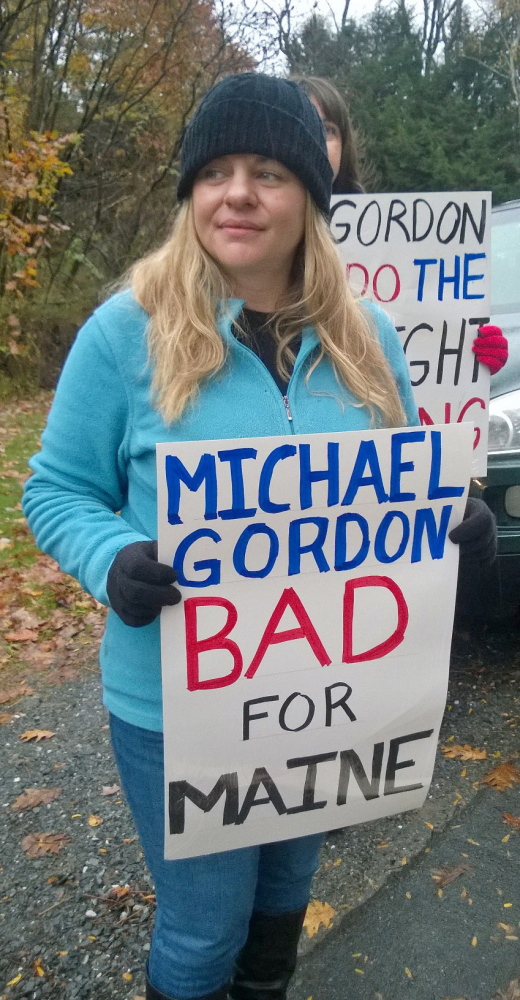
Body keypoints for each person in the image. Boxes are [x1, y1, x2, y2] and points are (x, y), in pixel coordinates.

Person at [22, 73, 497, 1000]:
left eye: (269, 172)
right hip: (178, 700)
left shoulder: (370, 335)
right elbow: (58, 489)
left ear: (311, 201)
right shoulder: (127, 332)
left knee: (287, 896)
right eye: (216, 172)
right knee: (203, 934)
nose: (236, 193)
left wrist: (453, 519)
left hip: (334, 695)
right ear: (190, 193)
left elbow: (399, 481)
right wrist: (108, 556)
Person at [293, 74, 509, 377]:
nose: (315, 141)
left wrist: (470, 353)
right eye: (301, 128)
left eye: (328, 130)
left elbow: (426, 337)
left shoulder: (382, 234)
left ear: (344, 146)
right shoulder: (245, 237)